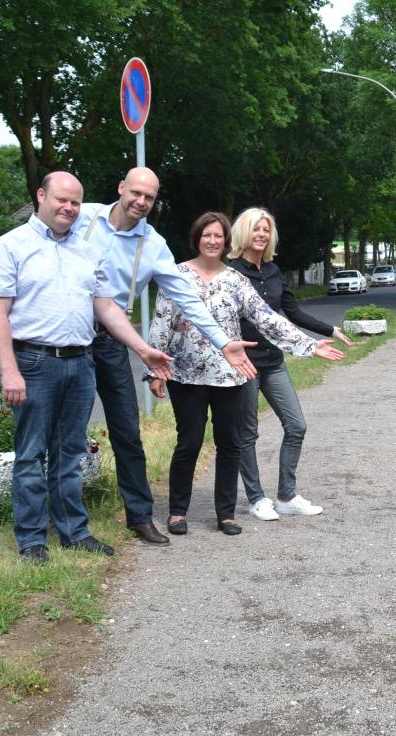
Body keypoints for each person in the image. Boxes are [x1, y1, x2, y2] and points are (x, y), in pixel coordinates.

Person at [0, 171, 173, 563]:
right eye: (61, 200)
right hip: (33, 362)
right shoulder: (9, 246)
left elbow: (106, 307)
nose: (68, 208)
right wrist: (9, 369)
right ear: (41, 197)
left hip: (80, 362)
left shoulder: (86, 250)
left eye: (74, 202)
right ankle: (33, 540)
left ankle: (73, 532)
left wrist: (141, 348)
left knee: (70, 454)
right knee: (31, 454)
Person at [74, 167, 259, 546]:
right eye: (136, 192)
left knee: (127, 432)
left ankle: (140, 518)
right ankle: (69, 526)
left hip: (111, 339)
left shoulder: (154, 245)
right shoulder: (81, 215)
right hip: (66, 336)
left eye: (150, 197)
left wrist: (223, 342)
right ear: (121, 187)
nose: (141, 202)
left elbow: (186, 299)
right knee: (67, 434)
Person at [147, 212, 344, 536]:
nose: (212, 241)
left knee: (230, 444)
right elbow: (161, 323)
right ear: (196, 238)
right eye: (206, 235)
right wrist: (155, 370)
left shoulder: (235, 280)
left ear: (226, 242)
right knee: (189, 442)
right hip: (186, 375)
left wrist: (309, 345)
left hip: (231, 375)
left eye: (218, 236)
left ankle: (226, 514)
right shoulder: (177, 275)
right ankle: (178, 512)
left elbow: (268, 318)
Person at [227, 207, 354, 521]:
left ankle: (286, 496)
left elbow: (292, 313)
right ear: (244, 232)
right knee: (248, 434)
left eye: (266, 230)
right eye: (256, 229)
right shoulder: (230, 272)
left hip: (273, 361)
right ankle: (256, 498)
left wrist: (330, 330)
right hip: (244, 364)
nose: (261, 235)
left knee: (296, 425)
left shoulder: (273, 270)